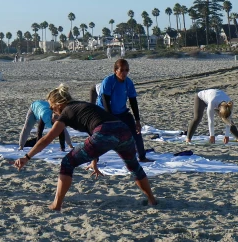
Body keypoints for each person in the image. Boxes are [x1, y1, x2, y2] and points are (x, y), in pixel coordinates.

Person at [14, 84, 158, 211]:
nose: (53, 111)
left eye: (52, 108)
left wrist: (27, 157)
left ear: (58, 105)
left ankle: (56, 205)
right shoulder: (82, 106)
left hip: (105, 132)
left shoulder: (66, 112)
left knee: (67, 162)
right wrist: (94, 161)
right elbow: (94, 134)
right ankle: (152, 200)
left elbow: (47, 138)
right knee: (134, 167)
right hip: (123, 130)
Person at [92, 59, 153, 162]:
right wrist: (111, 121)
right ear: (115, 70)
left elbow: (133, 101)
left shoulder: (128, 82)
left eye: (127, 70)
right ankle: (93, 159)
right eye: (122, 70)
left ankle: (142, 156)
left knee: (136, 131)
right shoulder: (108, 81)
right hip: (104, 112)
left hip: (122, 112)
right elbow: (105, 101)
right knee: (100, 136)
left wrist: (137, 120)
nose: (124, 73)